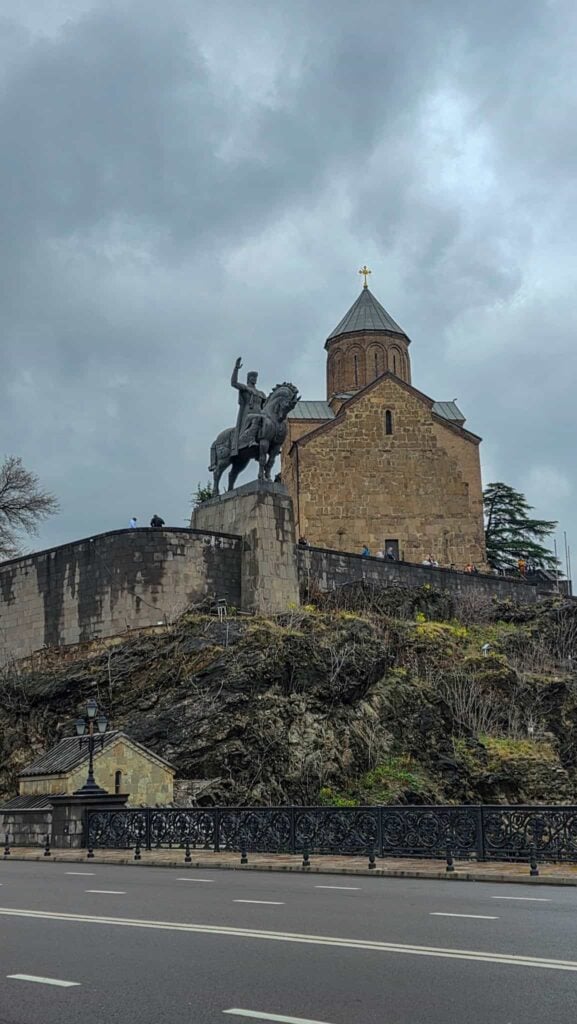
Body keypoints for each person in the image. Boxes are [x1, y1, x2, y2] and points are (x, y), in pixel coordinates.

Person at [230, 356, 266, 456]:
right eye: (252, 377)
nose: (254, 379)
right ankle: (250, 440)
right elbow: (233, 383)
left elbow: (266, 405)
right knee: (257, 418)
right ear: (248, 379)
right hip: (248, 415)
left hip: (260, 413)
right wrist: (236, 368)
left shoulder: (261, 393)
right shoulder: (245, 388)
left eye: (255, 378)